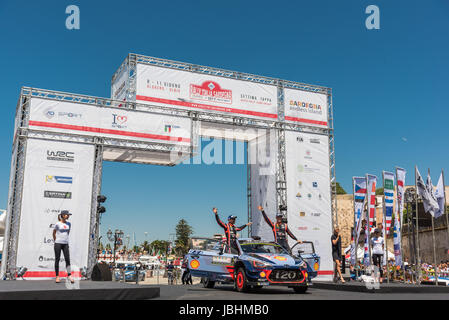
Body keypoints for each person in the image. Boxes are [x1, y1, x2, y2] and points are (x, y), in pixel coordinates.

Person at [53, 210, 73, 283]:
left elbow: (68, 232)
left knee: (67, 259)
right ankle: (57, 276)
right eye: (67, 215)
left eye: (68, 215)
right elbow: (54, 233)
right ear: (63, 215)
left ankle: (69, 275)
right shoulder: (57, 224)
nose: (68, 216)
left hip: (65, 244)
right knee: (57, 259)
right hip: (58, 243)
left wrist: (65, 240)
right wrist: (56, 240)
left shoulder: (69, 224)